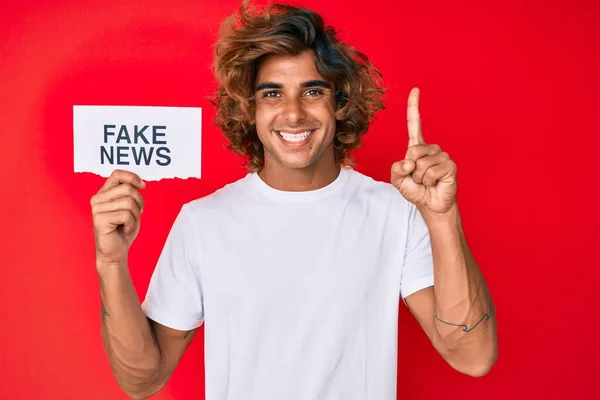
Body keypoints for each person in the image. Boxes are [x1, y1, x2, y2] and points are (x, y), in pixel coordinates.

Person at [90, 1, 498, 399]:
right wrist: (110, 263)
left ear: (338, 104)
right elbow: (141, 381)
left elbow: (473, 356)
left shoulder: (394, 213)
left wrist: (442, 217)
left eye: (312, 91)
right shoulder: (203, 222)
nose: (293, 113)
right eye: (271, 94)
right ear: (249, 110)